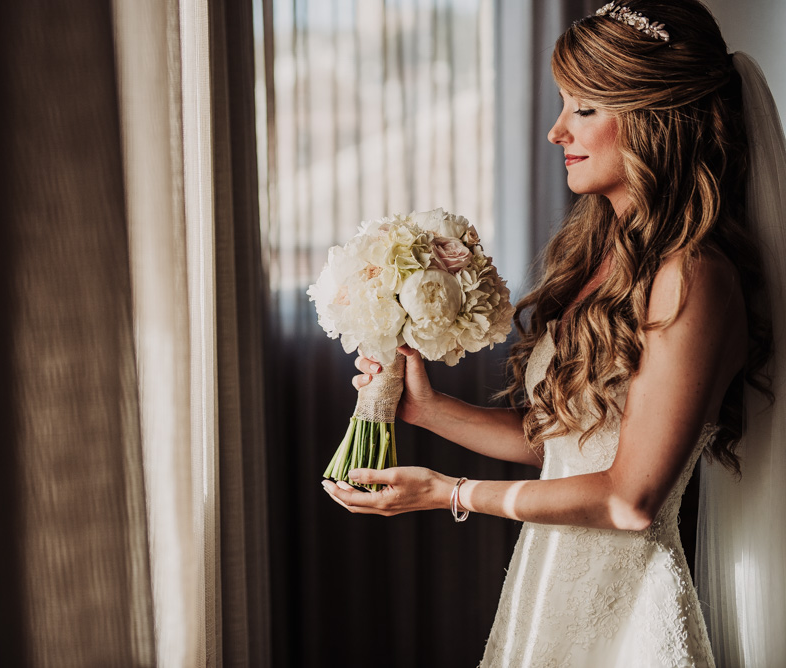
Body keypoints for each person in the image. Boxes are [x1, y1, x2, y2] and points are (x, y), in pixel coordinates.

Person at [321, 1, 786, 665]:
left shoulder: (694, 276)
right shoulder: (605, 256)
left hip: (627, 613)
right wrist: (427, 409)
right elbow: (570, 450)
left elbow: (630, 499)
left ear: (656, 119)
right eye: (562, 104)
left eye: (584, 108)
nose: (555, 130)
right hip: (546, 592)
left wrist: (449, 493)